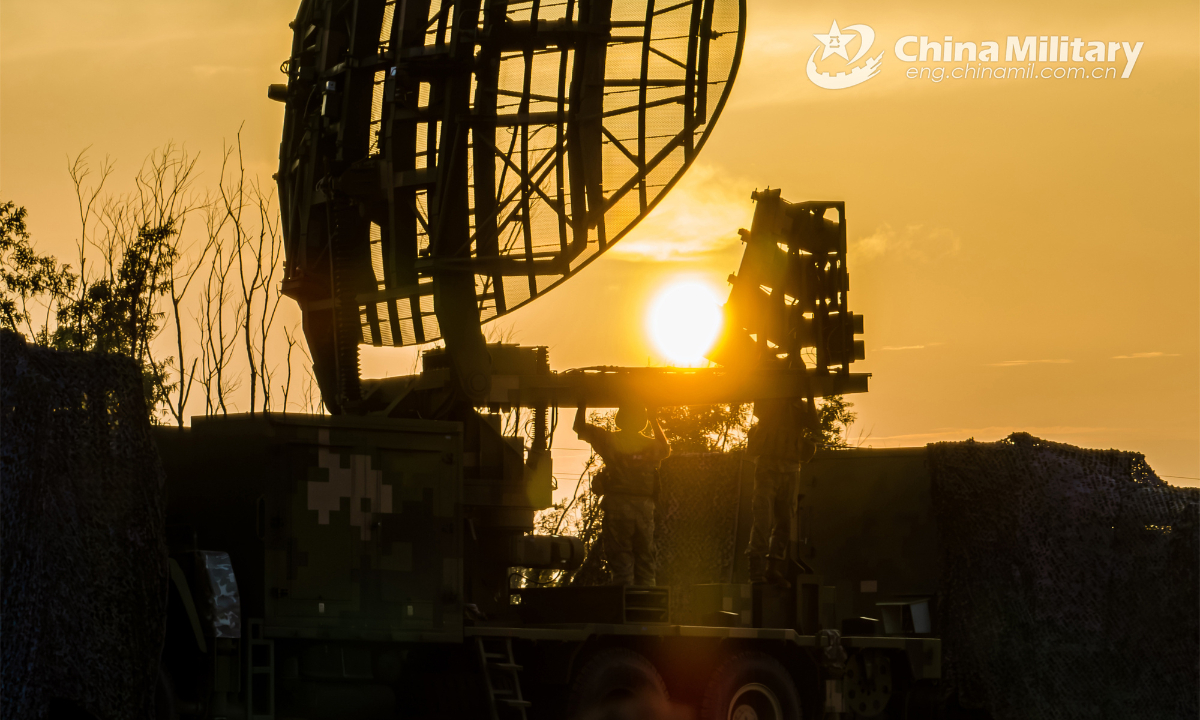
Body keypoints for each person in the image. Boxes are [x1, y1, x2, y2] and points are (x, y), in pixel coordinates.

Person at [574, 402, 671, 587]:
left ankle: (625, 598)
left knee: (620, 556)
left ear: (619, 420)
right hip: (644, 507)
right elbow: (664, 449)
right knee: (645, 557)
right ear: (643, 423)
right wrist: (653, 417)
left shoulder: (608, 441)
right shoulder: (651, 446)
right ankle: (646, 602)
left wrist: (582, 403)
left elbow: (580, 428)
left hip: (617, 505)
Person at [746, 395, 817, 588]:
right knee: (763, 519)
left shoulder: (800, 406)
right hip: (767, 466)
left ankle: (772, 567)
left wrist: (810, 397)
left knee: (785, 520)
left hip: (791, 467)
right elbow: (760, 411)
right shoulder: (770, 398)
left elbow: (814, 423)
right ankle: (756, 571)